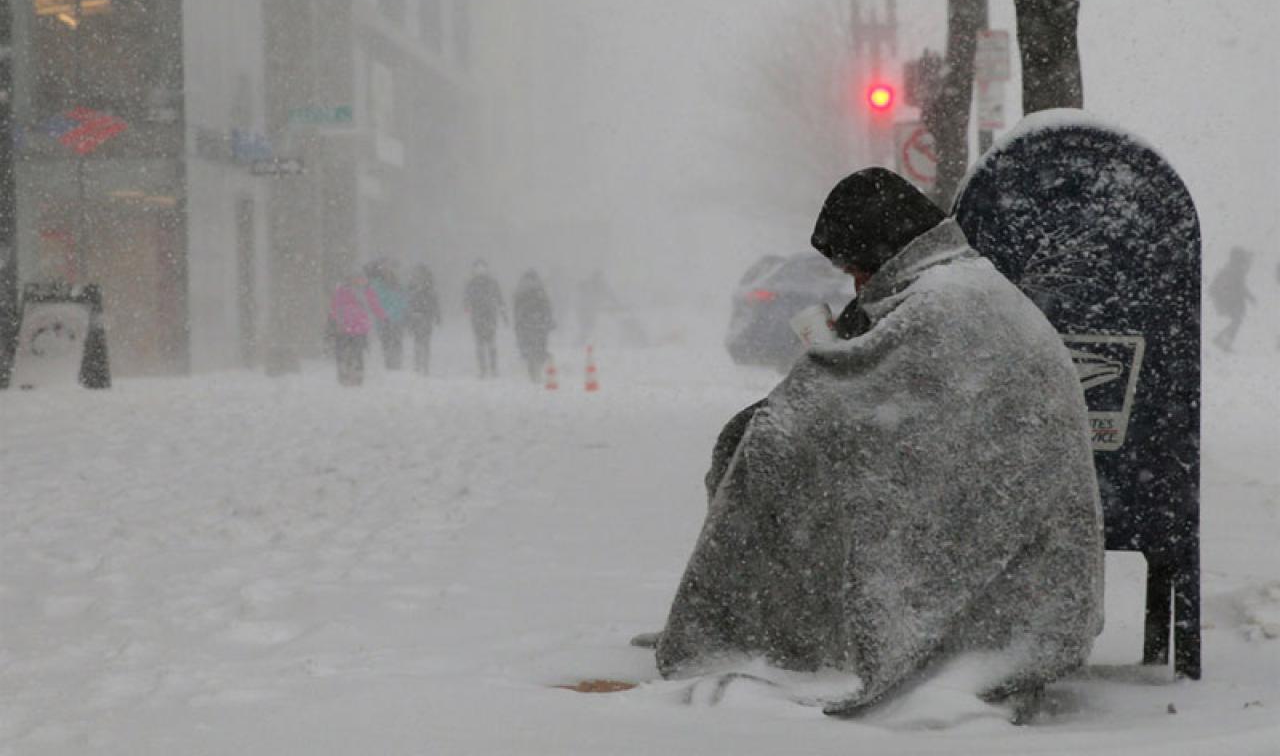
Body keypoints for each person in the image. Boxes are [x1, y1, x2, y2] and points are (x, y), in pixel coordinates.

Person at [654, 168, 1104, 717]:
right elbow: (894, 403)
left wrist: (803, 396)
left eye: (859, 269)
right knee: (761, 443)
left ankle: (767, 635)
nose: (857, 286)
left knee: (771, 451)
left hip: (1014, 565)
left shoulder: (944, 304)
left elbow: (845, 411)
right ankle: (774, 628)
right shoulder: (957, 283)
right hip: (1015, 526)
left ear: (884, 251)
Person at [328, 274, 385, 386]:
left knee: (355, 352)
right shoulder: (343, 291)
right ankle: (348, 374)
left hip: (356, 327)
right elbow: (335, 306)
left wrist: (383, 317)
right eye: (355, 278)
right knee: (347, 352)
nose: (357, 280)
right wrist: (335, 320)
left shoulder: (364, 292)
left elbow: (375, 306)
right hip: (348, 326)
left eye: (360, 278)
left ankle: (354, 374)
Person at [463, 260, 507, 378]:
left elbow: (466, 302)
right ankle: (493, 369)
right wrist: (504, 315)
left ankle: (483, 370)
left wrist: (467, 309)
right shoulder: (492, 283)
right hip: (490, 316)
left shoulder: (472, 284)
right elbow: (500, 300)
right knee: (491, 343)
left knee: (480, 344)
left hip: (478, 317)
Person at [1208, 247, 1255, 352]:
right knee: (1237, 320)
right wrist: (1250, 297)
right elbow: (1240, 287)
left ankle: (1221, 340)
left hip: (1230, 300)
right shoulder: (1234, 270)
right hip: (1231, 301)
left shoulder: (1231, 269)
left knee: (1237, 320)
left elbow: (1240, 286)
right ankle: (1222, 341)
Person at [512, 269, 556, 381]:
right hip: (540, 321)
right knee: (540, 346)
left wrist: (518, 323)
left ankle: (533, 369)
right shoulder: (540, 289)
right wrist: (549, 320)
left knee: (529, 347)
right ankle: (540, 362)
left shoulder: (520, 290)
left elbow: (517, 309)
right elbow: (547, 306)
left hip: (526, 322)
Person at [367, 259, 409, 370]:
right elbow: (373, 300)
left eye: (389, 270)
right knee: (386, 343)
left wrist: (403, 312)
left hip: (397, 320)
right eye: (385, 270)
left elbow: (404, 300)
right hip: (384, 320)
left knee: (396, 343)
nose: (388, 272)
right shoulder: (376, 284)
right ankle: (390, 365)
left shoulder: (398, 285)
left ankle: (396, 365)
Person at [407, 264, 443, 376]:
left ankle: (422, 364)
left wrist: (437, 316)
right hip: (419, 316)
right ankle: (420, 364)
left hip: (424, 316)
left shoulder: (424, 289)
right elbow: (410, 304)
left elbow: (435, 303)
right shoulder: (416, 289)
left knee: (423, 341)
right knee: (421, 341)